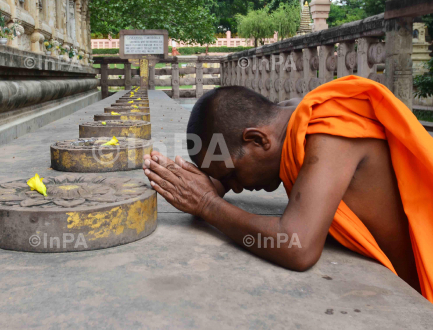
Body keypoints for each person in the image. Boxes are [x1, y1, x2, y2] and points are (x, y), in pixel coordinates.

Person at [142, 76, 433, 302]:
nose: (237, 189)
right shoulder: (286, 118)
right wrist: (211, 181)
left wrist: (206, 203)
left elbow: (297, 246)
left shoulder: (328, 135)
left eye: (232, 175)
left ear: (257, 139)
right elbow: (246, 153)